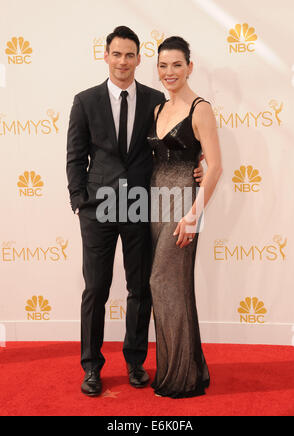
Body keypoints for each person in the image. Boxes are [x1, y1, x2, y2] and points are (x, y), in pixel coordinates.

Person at [66, 26, 204, 397]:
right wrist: (80, 201)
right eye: (116, 54)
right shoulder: (86, 101)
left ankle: (134, 361)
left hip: (141, 205)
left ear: (139, 59)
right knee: (95, 288)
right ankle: (92, 366)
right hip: (98, 207)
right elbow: (76, 157)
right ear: (106, 56)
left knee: (139, 288)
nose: (123, 61)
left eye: (130, 55)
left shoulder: (155, 101)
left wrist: (199, 165)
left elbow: (172, 144)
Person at [148, 36, 222, 398]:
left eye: (177, 64)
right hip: (153, 206)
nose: (169, 72)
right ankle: (193, 369)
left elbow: (217, 167)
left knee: (162, 285)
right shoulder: (159, 109)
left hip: (182, 207)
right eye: (163, 65)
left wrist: (193, 215)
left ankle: (179, 378)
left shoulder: (200, 108)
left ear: (189, 66)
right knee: (176, 288)